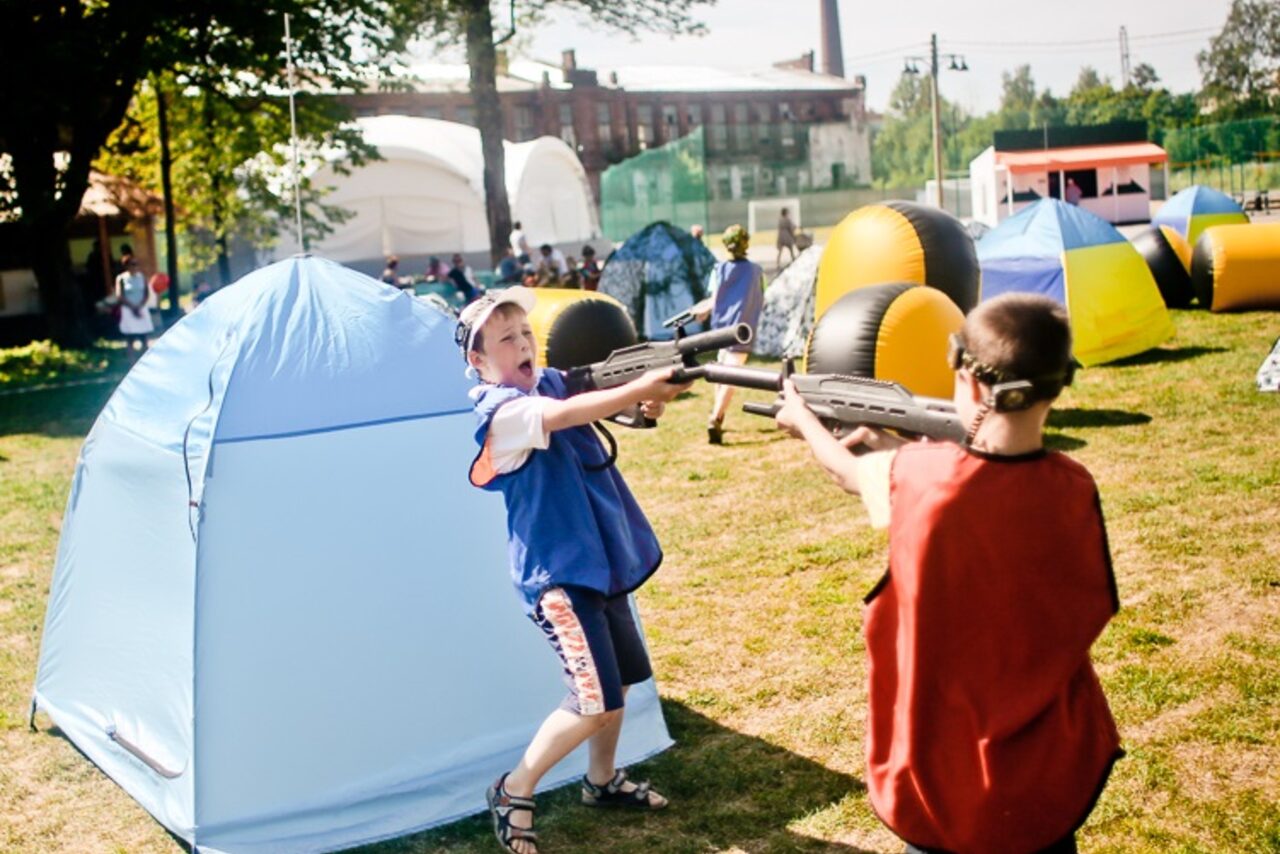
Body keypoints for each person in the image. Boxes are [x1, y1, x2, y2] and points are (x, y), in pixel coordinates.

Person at [774, 293, 1121, 854]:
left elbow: (846, 471)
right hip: (1044, 769)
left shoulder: (918, 475)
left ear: (975, 384)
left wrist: (803, 420)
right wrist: (900, 449)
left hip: (942, 769)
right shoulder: (1075, 485)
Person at [457, 288, 688, 854]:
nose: (522, 344)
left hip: (598, 565)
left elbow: (604, 405)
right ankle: (514, 789)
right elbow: (560, 416)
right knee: (595, 700)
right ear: (480, 362)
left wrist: (645, 405)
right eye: (505, 338)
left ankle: (602, 781)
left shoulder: (551, 382)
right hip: (559, 575)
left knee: (625, 677)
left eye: (526, 332)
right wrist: (635, 391)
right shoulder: (501, 413)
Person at [693, 224, 764, 444]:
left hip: (722, 330)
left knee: (722, 375)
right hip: (743, 329)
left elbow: (714, 300)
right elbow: (763, 294)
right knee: (730, 377)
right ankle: (716, 418)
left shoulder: (719, 269)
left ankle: (717, 417)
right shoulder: (756, 271)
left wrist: (701, 310)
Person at [114, 255, 154, 363]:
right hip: (128, 309)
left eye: (136, 264)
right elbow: (119, 295)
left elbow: (146, 293)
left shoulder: (142, 277)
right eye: (132, 264)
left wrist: (139, 306)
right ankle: (132, 363)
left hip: (141, 308)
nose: (135, 266)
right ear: (126, 266)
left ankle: (145, 361)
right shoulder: (121, 278)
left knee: (144, 336)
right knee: (130, 337)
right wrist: (132, 307)